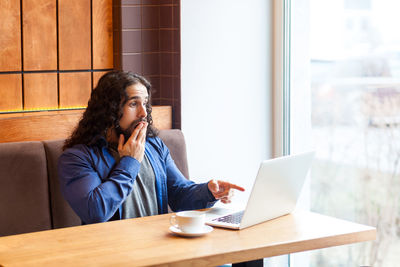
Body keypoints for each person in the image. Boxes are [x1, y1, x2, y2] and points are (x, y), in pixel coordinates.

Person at [58, 70, 245, 224]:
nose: (143, 113)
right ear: (110, 109)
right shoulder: (77, 158)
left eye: (145, 103)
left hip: (159, 248)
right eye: (133, 104)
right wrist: (129, 162)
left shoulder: (154, 145)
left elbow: (179, 194)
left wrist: (208, 191)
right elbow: (96, 211)